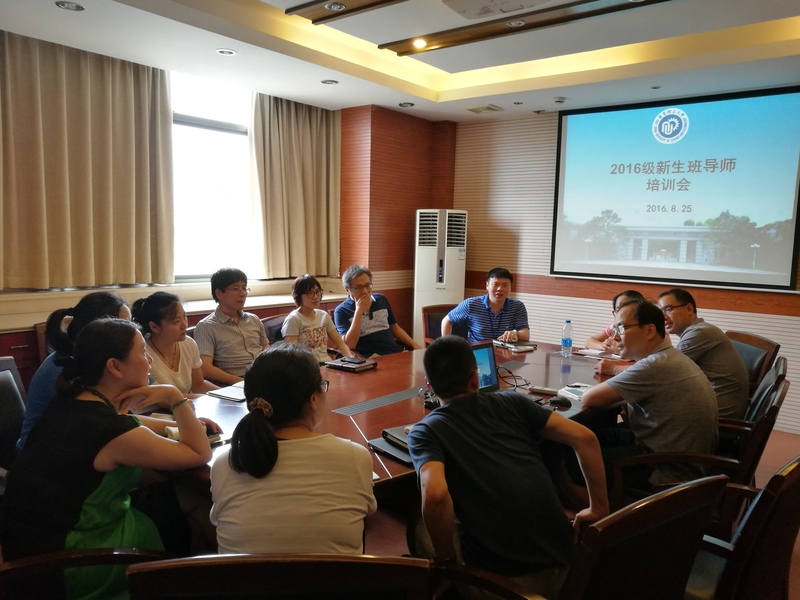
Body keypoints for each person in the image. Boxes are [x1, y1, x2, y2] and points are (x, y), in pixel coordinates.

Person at [0, 318, 212, 599]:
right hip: (74, 560)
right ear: (114, 366)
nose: (149, 359)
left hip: (30, 544)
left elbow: (131, 423)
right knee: (197, 500)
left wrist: (180, 423)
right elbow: (199, 453)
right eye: (142, 352)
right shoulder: (111, 431)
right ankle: (207, 578)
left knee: (187, 495)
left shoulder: (73, 401)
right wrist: (174, 397)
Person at [407, 335, 608, 599]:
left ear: (428, 385)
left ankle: (450, 581)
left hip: (505, 587)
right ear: (475, 378)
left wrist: (445, 560)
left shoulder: (425, 431)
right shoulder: (513, 402)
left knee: (420, 522)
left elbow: (435, 495)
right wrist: (598, 508)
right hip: (570, 567)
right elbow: (585, 438)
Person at [210, 343, 377, 554]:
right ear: (313, 399)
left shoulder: (226, 463)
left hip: (244, 577)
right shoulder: (354, 456)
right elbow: (367, 512)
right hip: (335, 576)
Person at [580, 298, 718, 486]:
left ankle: (608, 505)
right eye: (615, 330)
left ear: (649, 331)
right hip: (675, 455)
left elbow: (590, 398)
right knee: (587, 437)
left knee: (571, 457)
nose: (616, 337)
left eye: (622, 329)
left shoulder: (654, 365)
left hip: (665, 469)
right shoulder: (669, 356)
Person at [17, 291, 131, 451]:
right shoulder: (67, 369)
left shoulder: (94, 358)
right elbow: (103, 421)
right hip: (42, 453)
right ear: (98, 331)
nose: (133, 333)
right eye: (125, 327)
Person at [657, 288, 749, 419]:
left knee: (649, 407)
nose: (663, 317)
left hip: (718, 415)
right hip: (713, 404)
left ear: (689, 309)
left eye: (668, 309)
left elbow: (664, 370)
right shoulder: (700, 330)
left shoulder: (700, 333)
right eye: (660, 311)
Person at [132, 292, 219, 396]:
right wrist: (207, 398)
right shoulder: (146, 355)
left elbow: (198, 385)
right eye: (176, 321)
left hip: (191, 402)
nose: (184, 324)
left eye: (184, 316)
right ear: (154, 327)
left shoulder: (189, 343)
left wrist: (227, 394)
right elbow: (166, 397)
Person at [194, 268, 269, 385]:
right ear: (219, 293)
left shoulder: (253, 319)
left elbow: (266, 346)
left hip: (264, 376)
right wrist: (243, 383)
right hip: (235, 382)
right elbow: (206, 369)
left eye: (244, 288)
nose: (242, 293)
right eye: (235, 289)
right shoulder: (206, 327)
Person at [333, 264, 420, 356]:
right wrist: (359, 311)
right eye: (359, 288)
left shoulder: (381, 299)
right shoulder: (341, 311)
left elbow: (395, 328)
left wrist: (416, 346)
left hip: (394, 352)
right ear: (347, 290)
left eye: (368, 285)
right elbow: (350, 345)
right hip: (370, 357)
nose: (365, 291)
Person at [441, 268, 530, 343]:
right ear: (487, 285)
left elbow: (526, 335)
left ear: (510, 287)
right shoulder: (470, 304)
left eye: (505, 285)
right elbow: (447, 321)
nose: (500, 289)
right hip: (478, 352)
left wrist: (516, 334)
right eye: (495, 284)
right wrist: (447, 345)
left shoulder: (517, 306)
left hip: (505, 353)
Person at [281, 274, 354, 362]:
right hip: (306, 365)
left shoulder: (323, 315)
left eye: (317, 292)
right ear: (299, 295)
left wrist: (352, 359)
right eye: (310, 293)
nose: (315, 297)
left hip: (327, 364)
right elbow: (292, 354)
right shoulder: (293, 320)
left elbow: (341, 345)